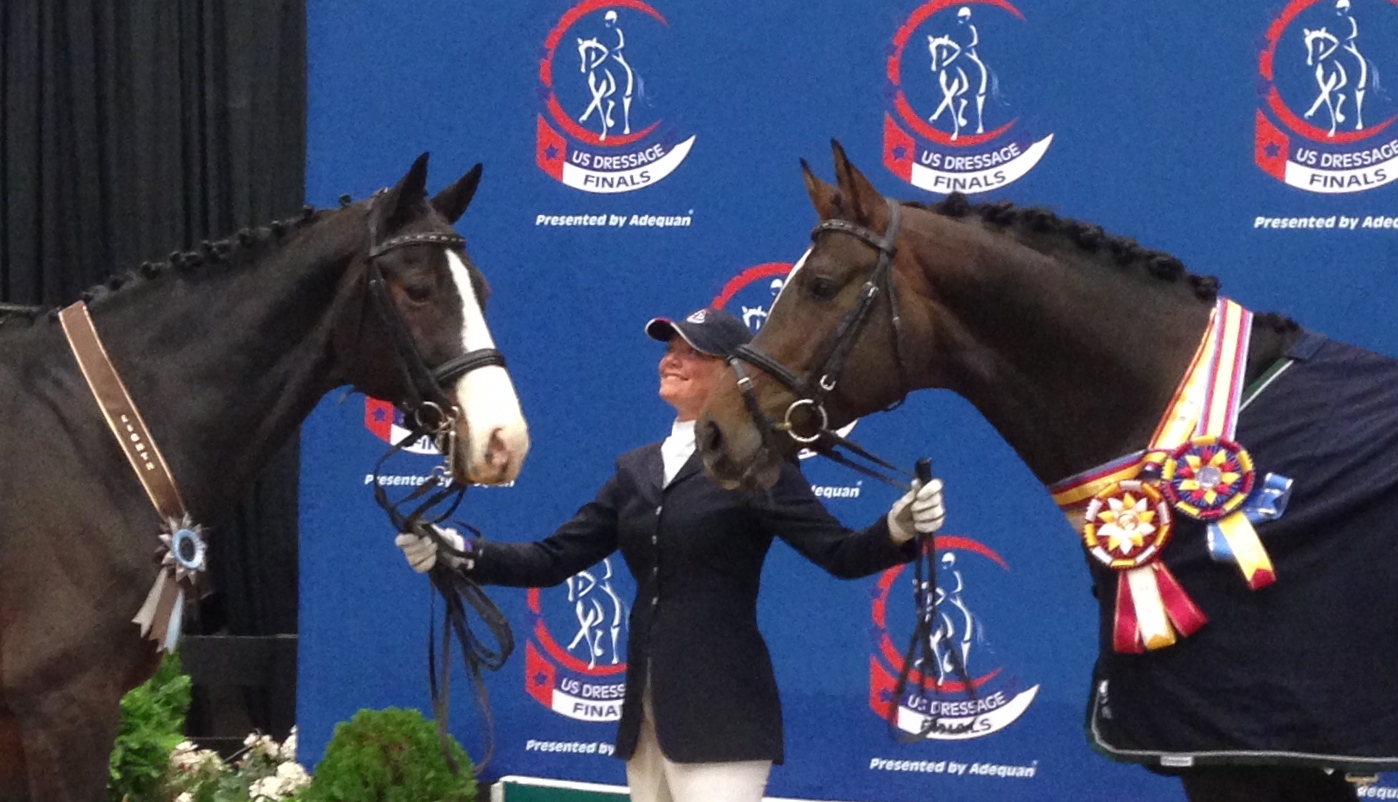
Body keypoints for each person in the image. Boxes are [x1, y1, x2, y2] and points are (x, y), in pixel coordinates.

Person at [396, 307, 946, 802]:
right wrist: (460, 552)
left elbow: (840, 553)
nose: (672, 360)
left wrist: (898, 527)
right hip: (646, 720)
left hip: (723, 716)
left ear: (733, 373)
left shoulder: (758, 464)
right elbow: (553, 558)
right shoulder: (635, 470)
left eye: (693, 352)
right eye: (670, 349)